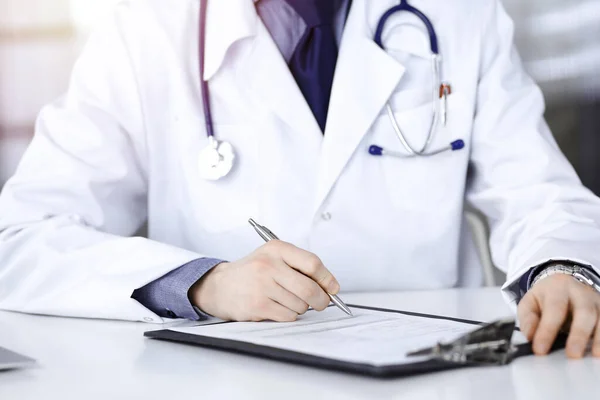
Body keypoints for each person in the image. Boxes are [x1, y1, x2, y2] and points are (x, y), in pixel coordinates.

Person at [0, 0, 599, 360]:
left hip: (435, 374)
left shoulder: (456, 15)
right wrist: (202, 285)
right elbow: (21, 239)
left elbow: (539, 192)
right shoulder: (148, 31)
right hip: (228, 377)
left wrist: (563, 269)